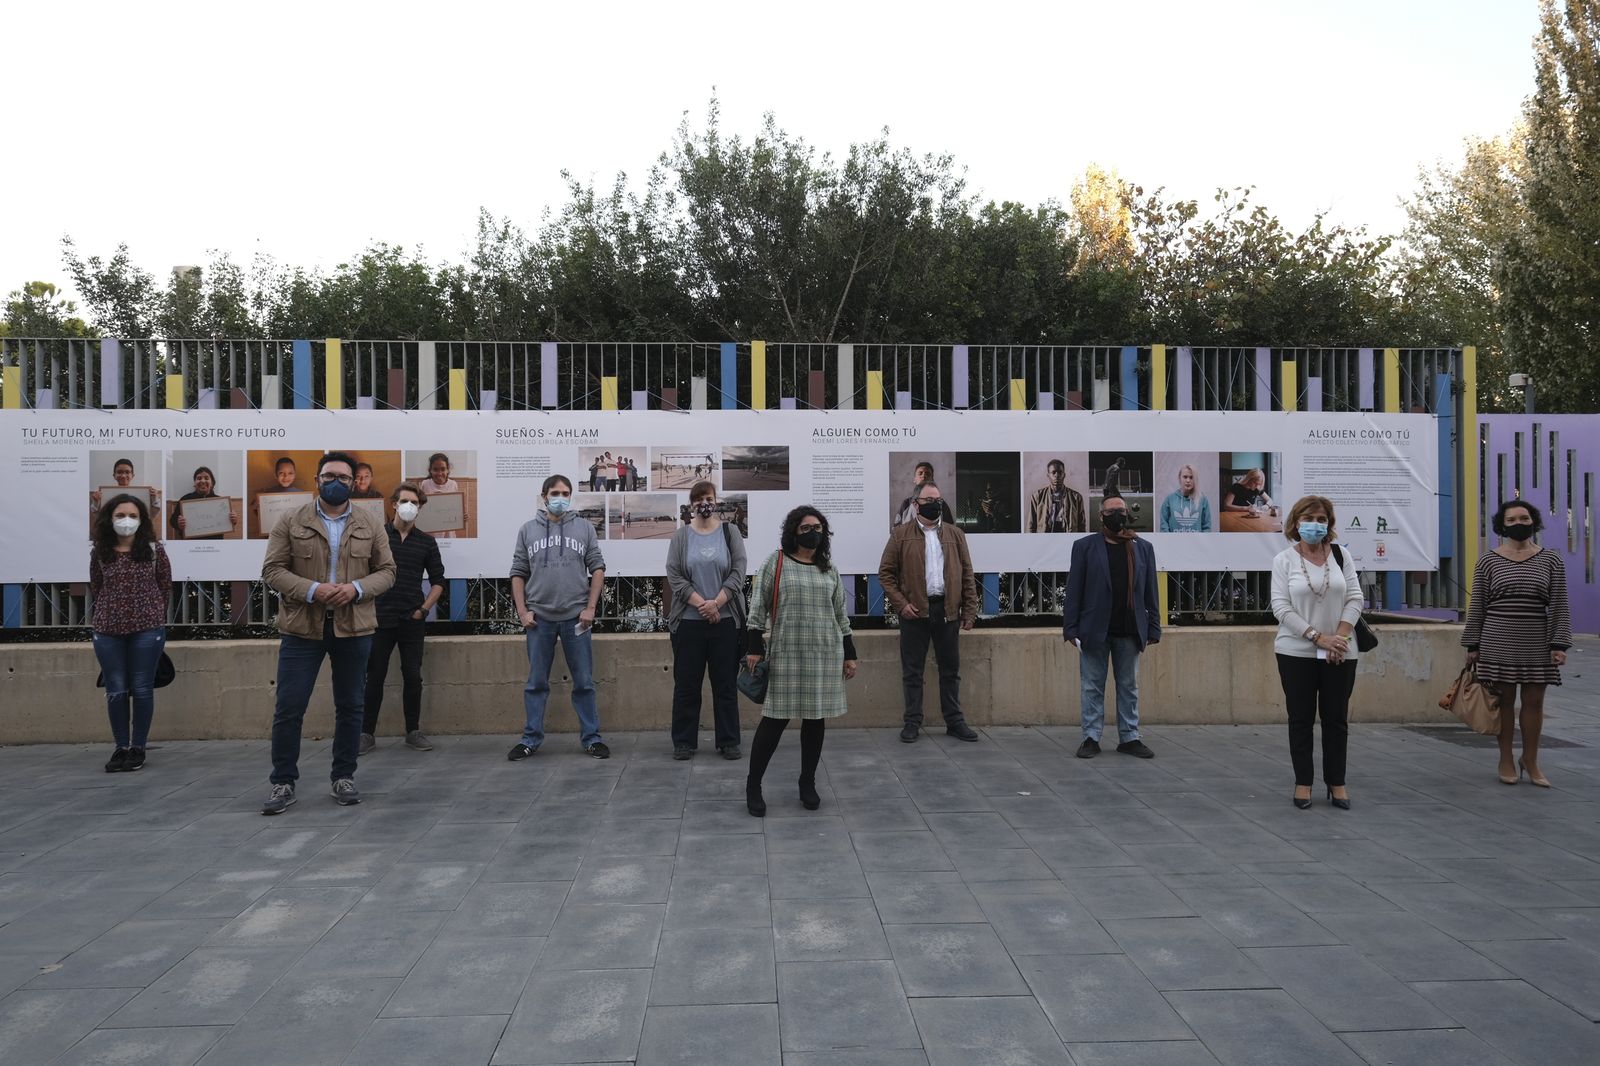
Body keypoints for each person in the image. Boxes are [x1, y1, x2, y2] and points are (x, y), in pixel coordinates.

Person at [259, 451, 397, 814]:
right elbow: (272, 569)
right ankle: (282, 781)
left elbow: (387, 571)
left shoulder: (370, 522)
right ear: (317, 479)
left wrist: (356, 589)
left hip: (354, 627)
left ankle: (344, 776)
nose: (336, 482)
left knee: (351, 706)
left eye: (343, 478)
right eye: (329, 476)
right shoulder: (291, 520)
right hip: (302, 628)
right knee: (289, 707)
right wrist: (312, 589)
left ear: (353, 483)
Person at [743, 507, 858, 816]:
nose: (813, 532)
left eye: (818, 527)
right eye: (806, 527)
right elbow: (757, 607)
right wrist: (754, 647)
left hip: (823, 654)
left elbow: (840, 615)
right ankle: (754, 785)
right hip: (787, 655)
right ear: (793, 531)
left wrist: (850, 653)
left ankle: (807, 782)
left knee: (815, 720)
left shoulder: (828, 569)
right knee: (774, 721)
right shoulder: (776, 562)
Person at [1463, 500, 1572, 788]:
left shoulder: (1551, 560)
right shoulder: (1488, 560)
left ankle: (1531, 760)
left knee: (1535, 702)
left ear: (1533, 522)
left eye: (1524, 518)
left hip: (1537, 638)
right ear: (1502, 525)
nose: (1518, 523)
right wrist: (1472, 645)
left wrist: (1559, 643)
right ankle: (1506, 759)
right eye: (1511, 520)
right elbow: (1478, 605)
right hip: (1497, 639)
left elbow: (1559, 604)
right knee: (1506, 702)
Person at [1270, 495, 1363, 810]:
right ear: (1296, 523)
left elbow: (1355, 597)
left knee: (1336, 720)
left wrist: (1339, 637)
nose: (1315, 525)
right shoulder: (1284, 560)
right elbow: (1280, 606)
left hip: (1340, 650)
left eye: (1321, 519)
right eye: (1308, 519)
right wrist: (1316, 637)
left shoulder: (1341, 555)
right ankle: (1303, 783)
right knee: (1300, 719)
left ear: (1330, 524)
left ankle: (1337, 783)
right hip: (1295, 651)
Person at [508, 474, 609, 760]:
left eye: (566, 492)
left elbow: (598, 568)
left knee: (584, 683)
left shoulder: (584, 528)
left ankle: (591, 739)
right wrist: (522, 612)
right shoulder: (528, 530)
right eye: (555, 492)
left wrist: (590, 608)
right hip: (539, 619)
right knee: (536, 683)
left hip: (576, 618)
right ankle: (530, 739)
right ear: (544, 496)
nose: (560, 498)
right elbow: (518, 572)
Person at [878, 482, 980, 743]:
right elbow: (886, 574)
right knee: (913, 671)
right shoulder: (901, 535)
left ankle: (955, 722)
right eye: (929, 499)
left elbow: (967, 574)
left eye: (938, 499)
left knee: (950, 670)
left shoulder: (956, 535)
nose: (935, 503)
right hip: (914, 613)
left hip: (947, 611)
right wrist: (901, 604)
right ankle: (912, 722)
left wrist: (969, 609)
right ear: (916, 504)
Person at [1062, 491, 1160, 760]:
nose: (1118, 515)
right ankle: (1091, 737)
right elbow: (1074, 590)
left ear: (1127, 514)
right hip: (1094, 629)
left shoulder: (1142, 547)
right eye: (1111, 511)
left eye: (1121, 510)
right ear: (1101, 516)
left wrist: (1154, 627)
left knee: (1129, 686)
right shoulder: (1085, 546)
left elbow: (1151, 590)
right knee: (1091, 686)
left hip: (1130, 629)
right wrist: (1070, 628)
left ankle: (1130, 737)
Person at [665, 480, 749, 760]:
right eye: (698, 499)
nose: (704, 503)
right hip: (689, 622)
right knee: (687, 685)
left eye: (709, 498)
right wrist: (703, 604)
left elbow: (738, 571)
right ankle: (684, 742)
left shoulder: (730, 532)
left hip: (725, 622)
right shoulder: (681, 537)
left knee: (724, 684)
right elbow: (675, 575)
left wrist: (718, 603)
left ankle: (728, 740)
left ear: (716, 501)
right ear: (691, 504)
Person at [360, 483, 445, 756]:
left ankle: (413, 731)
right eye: (405, 501)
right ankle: (365, 733)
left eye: (415, 503)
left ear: (420, 508)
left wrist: (423, 609)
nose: (410, 506)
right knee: (374, 677)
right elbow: (362, 574)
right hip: (379, 619)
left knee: (412, 676)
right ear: (394, 503)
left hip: (412, 619)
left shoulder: (427, 542)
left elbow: (438, 582)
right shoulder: (377, 537)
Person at [90, 494, 171, 772]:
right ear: (109, 519)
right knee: (115, 690)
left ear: (142, 520)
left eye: (133, 516)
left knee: (142, 688)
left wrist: (154, 615)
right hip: (107, 630)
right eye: (120, 515)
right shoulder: (100, 551)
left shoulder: (153, 550)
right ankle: (120, 747)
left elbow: (165, 586)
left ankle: (138, 747)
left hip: (147, 630)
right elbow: (96, 586)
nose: (127, 521)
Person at [170, 465, 240, 540]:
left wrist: (234, 520)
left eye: (206, 478)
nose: (203, 481)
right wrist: (178, 524)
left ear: (212, 483)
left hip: (215, 543)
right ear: (194, 483)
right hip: (191, 544)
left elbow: (228, 523)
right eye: (199, 478)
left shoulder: (220, 502)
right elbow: (172, 521)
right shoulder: (185, 500)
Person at [1028, 459, 1087, 533]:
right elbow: (1031, 526)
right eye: (1053, 472)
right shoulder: (1037, 496)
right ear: (1048, 475)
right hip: (1045, 540)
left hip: (1068, 539)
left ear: (1064, 475)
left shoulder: (1076, 497)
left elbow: (1082, 526)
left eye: (1060, 472)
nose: (1057, 475)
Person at [420, 452, 467, 538]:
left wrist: (462, 516)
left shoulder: (453, 484)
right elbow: (421, 508)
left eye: (443, 469)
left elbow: (456, 508)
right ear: (430, 470)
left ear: (448, 470)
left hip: (448, 534)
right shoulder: (425, 484)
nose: (439, 473)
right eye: (435, 469)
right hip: (430, 533)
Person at [1159, 464, 1213, 532]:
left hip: (1195, 542)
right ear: (1179, 478)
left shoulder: (1202, 499)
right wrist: (1168, 540)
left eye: (1191, 477)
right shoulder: (1170, 499)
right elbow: (1164, 524)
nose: (1188, 480)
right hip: (1174, 542)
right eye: (1185, 477)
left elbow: (1207, 526)